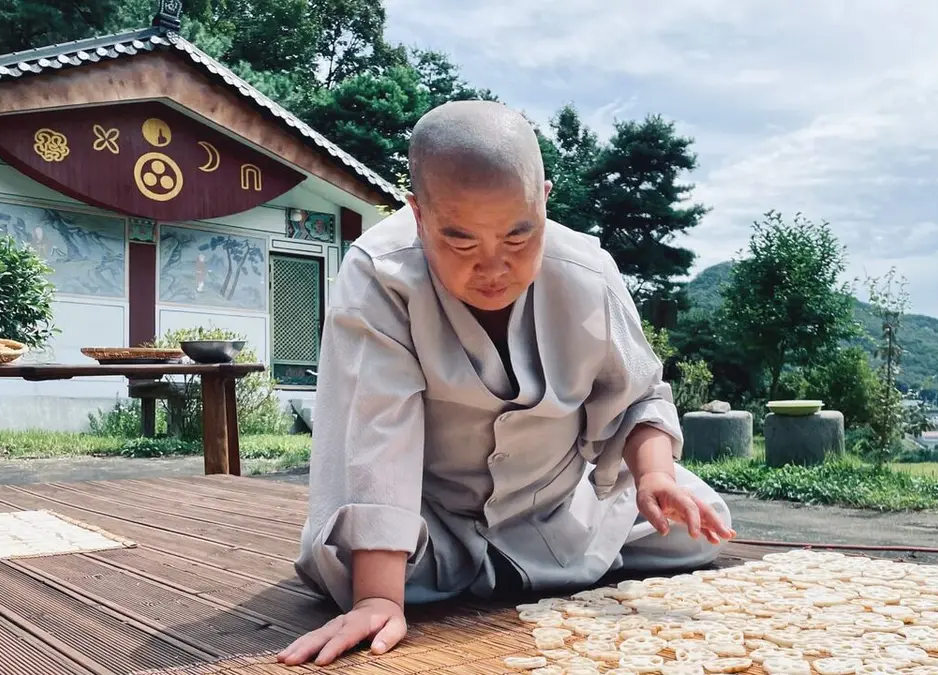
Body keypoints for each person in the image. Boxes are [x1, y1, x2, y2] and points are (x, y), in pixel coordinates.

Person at [278, 100, 735, 667]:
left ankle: (502, 570)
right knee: (344, 571)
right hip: (431, 517)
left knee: (699, 525)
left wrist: (655, 475)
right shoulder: (380, 273)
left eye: (519, 238)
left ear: (543, 200)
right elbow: (376, 431)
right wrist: (376, 597)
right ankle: (468, 574)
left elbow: (637, 395)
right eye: (462, 242)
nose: (493, 268)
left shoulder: (589, 271)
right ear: (419, 216)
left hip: (558, 502)